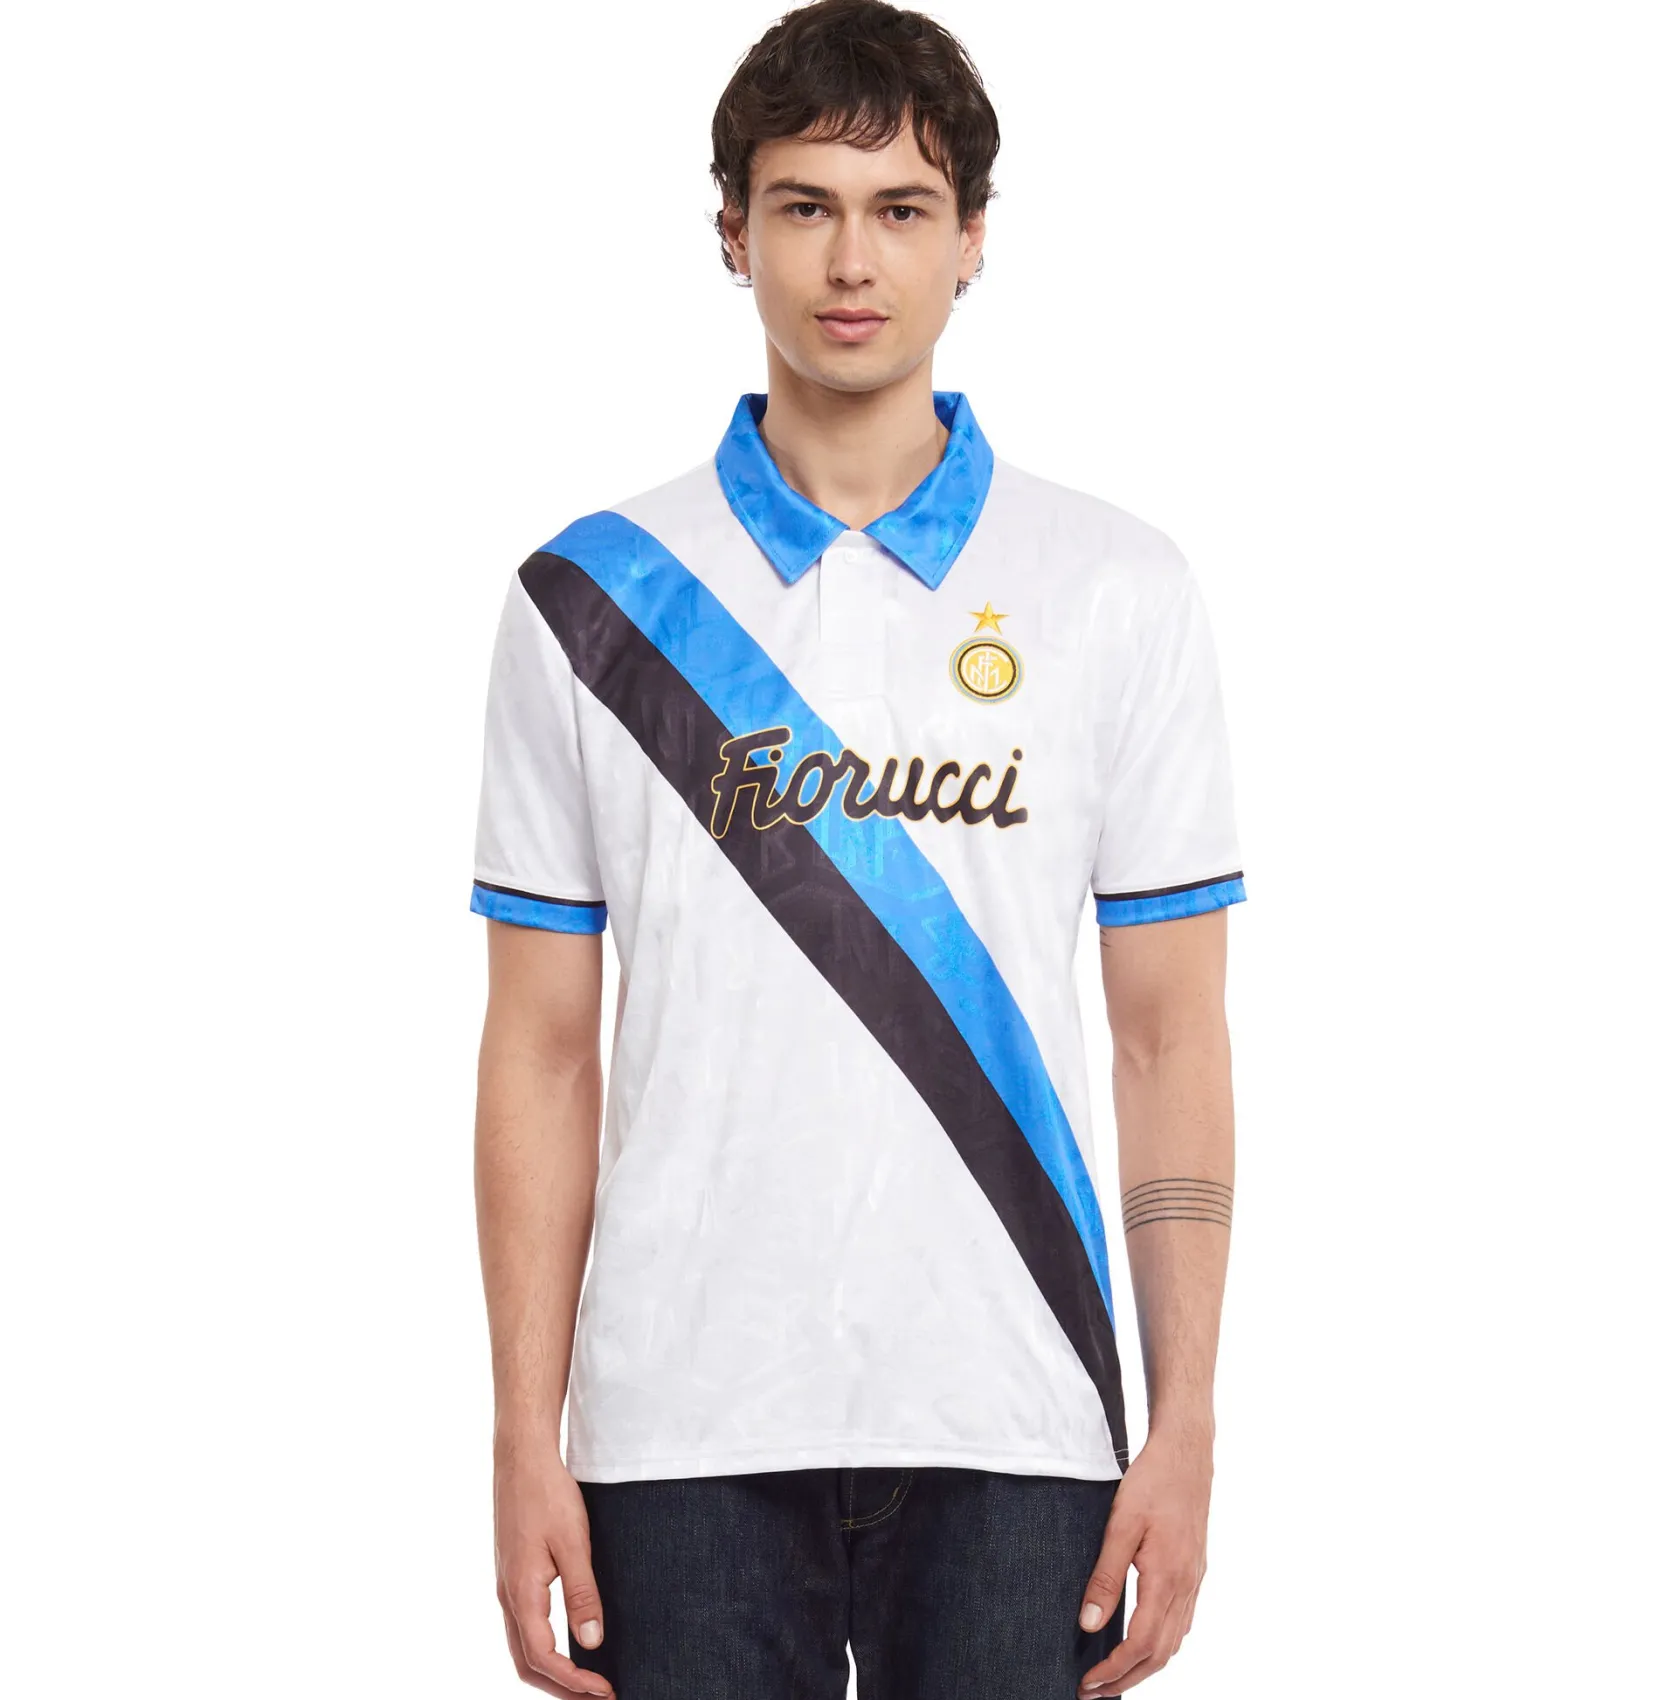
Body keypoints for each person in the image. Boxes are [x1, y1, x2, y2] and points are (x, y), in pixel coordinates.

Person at [468, 2, 1245, 1695]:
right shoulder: (588, 598)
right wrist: (525, 1433)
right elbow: (539, 1050)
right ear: (730, 231)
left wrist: (1185, 1421)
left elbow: (1170, 1035)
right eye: (804, 205)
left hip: (1019, 1414)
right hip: (677, 1425)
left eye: (901, 209)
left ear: (974, 239)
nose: (850, 259)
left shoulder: (1115, 589)